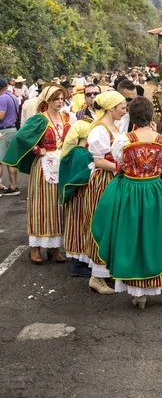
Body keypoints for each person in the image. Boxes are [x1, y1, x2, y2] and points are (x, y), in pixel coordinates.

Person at [91, 97, 162, 309]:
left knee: (133, 236)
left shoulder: (124, 140)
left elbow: (119, 160)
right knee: (159, 235)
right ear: (152, 117)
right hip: (155, 190)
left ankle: (140, 294)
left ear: (131, 116)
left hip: (130, 190)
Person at [3, 84, 71, 264]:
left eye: (61, 99)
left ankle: (54, 248)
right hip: (42, 167)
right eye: (56, 99)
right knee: (41, 206)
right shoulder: (40, 119)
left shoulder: (66, 117)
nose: (59, 102)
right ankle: (34, 248)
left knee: (58, 206)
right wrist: (36, 148)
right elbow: (21, 137)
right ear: (47, 101)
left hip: (60, 165)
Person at [84, 91, 127, 294]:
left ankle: (106, 271)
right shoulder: (99, 130)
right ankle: (96, 276)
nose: (124, 110)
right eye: (122, 107)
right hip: (103, 180)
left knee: (113, 224)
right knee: (102, 222)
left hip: (113, 178)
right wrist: (120, 167)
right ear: (111, 108)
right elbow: (98, 160)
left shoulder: (114, 127)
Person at [59, 115, 96, 277]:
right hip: (80, 197)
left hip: (77, 198)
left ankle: (79, 262)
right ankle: (78, 263)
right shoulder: (81, 154)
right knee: (80, 227)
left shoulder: (76, 151)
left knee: (78, 226)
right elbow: (81, 176)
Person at [0, 77, 20, 195]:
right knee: (11, 160)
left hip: (3, 131)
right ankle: (13, 186)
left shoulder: (2, 98)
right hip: (12, 129)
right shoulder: (13, 97)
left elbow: (1, 115)